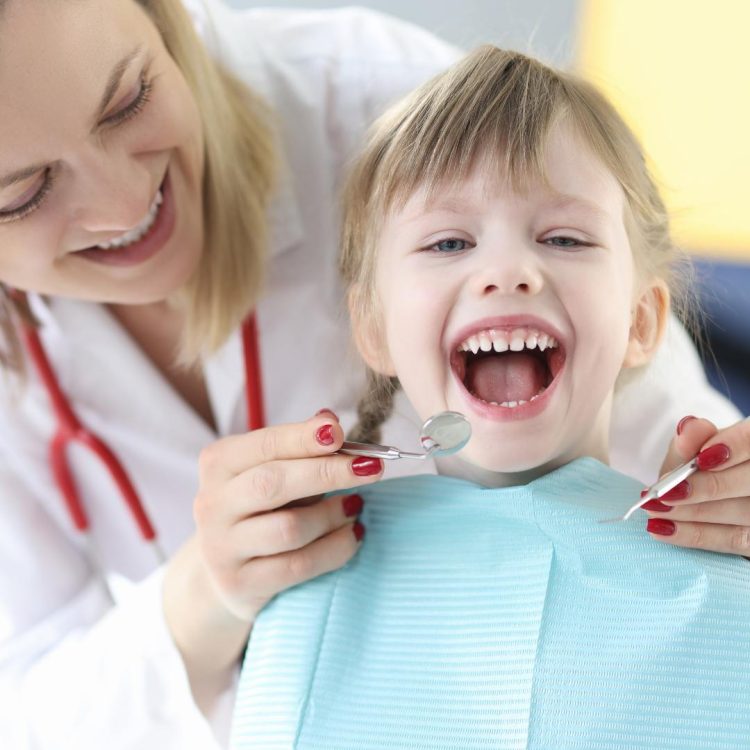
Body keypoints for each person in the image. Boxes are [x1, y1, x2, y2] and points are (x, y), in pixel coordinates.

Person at [0, 1, 745, 748]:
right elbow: (31, 714)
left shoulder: (431, 118)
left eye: (130, 100)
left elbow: (688, 460)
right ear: (370, 327)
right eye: (21, 194)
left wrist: (725, 496)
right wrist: (202, 600)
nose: (124, 203)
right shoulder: (310, 620)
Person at [231, 45, 750, 749]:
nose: (507, 271)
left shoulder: (727, 589)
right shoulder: (308, 589)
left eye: (564, 237)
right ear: (373, 328)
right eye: (448, 243)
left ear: (641, 322)